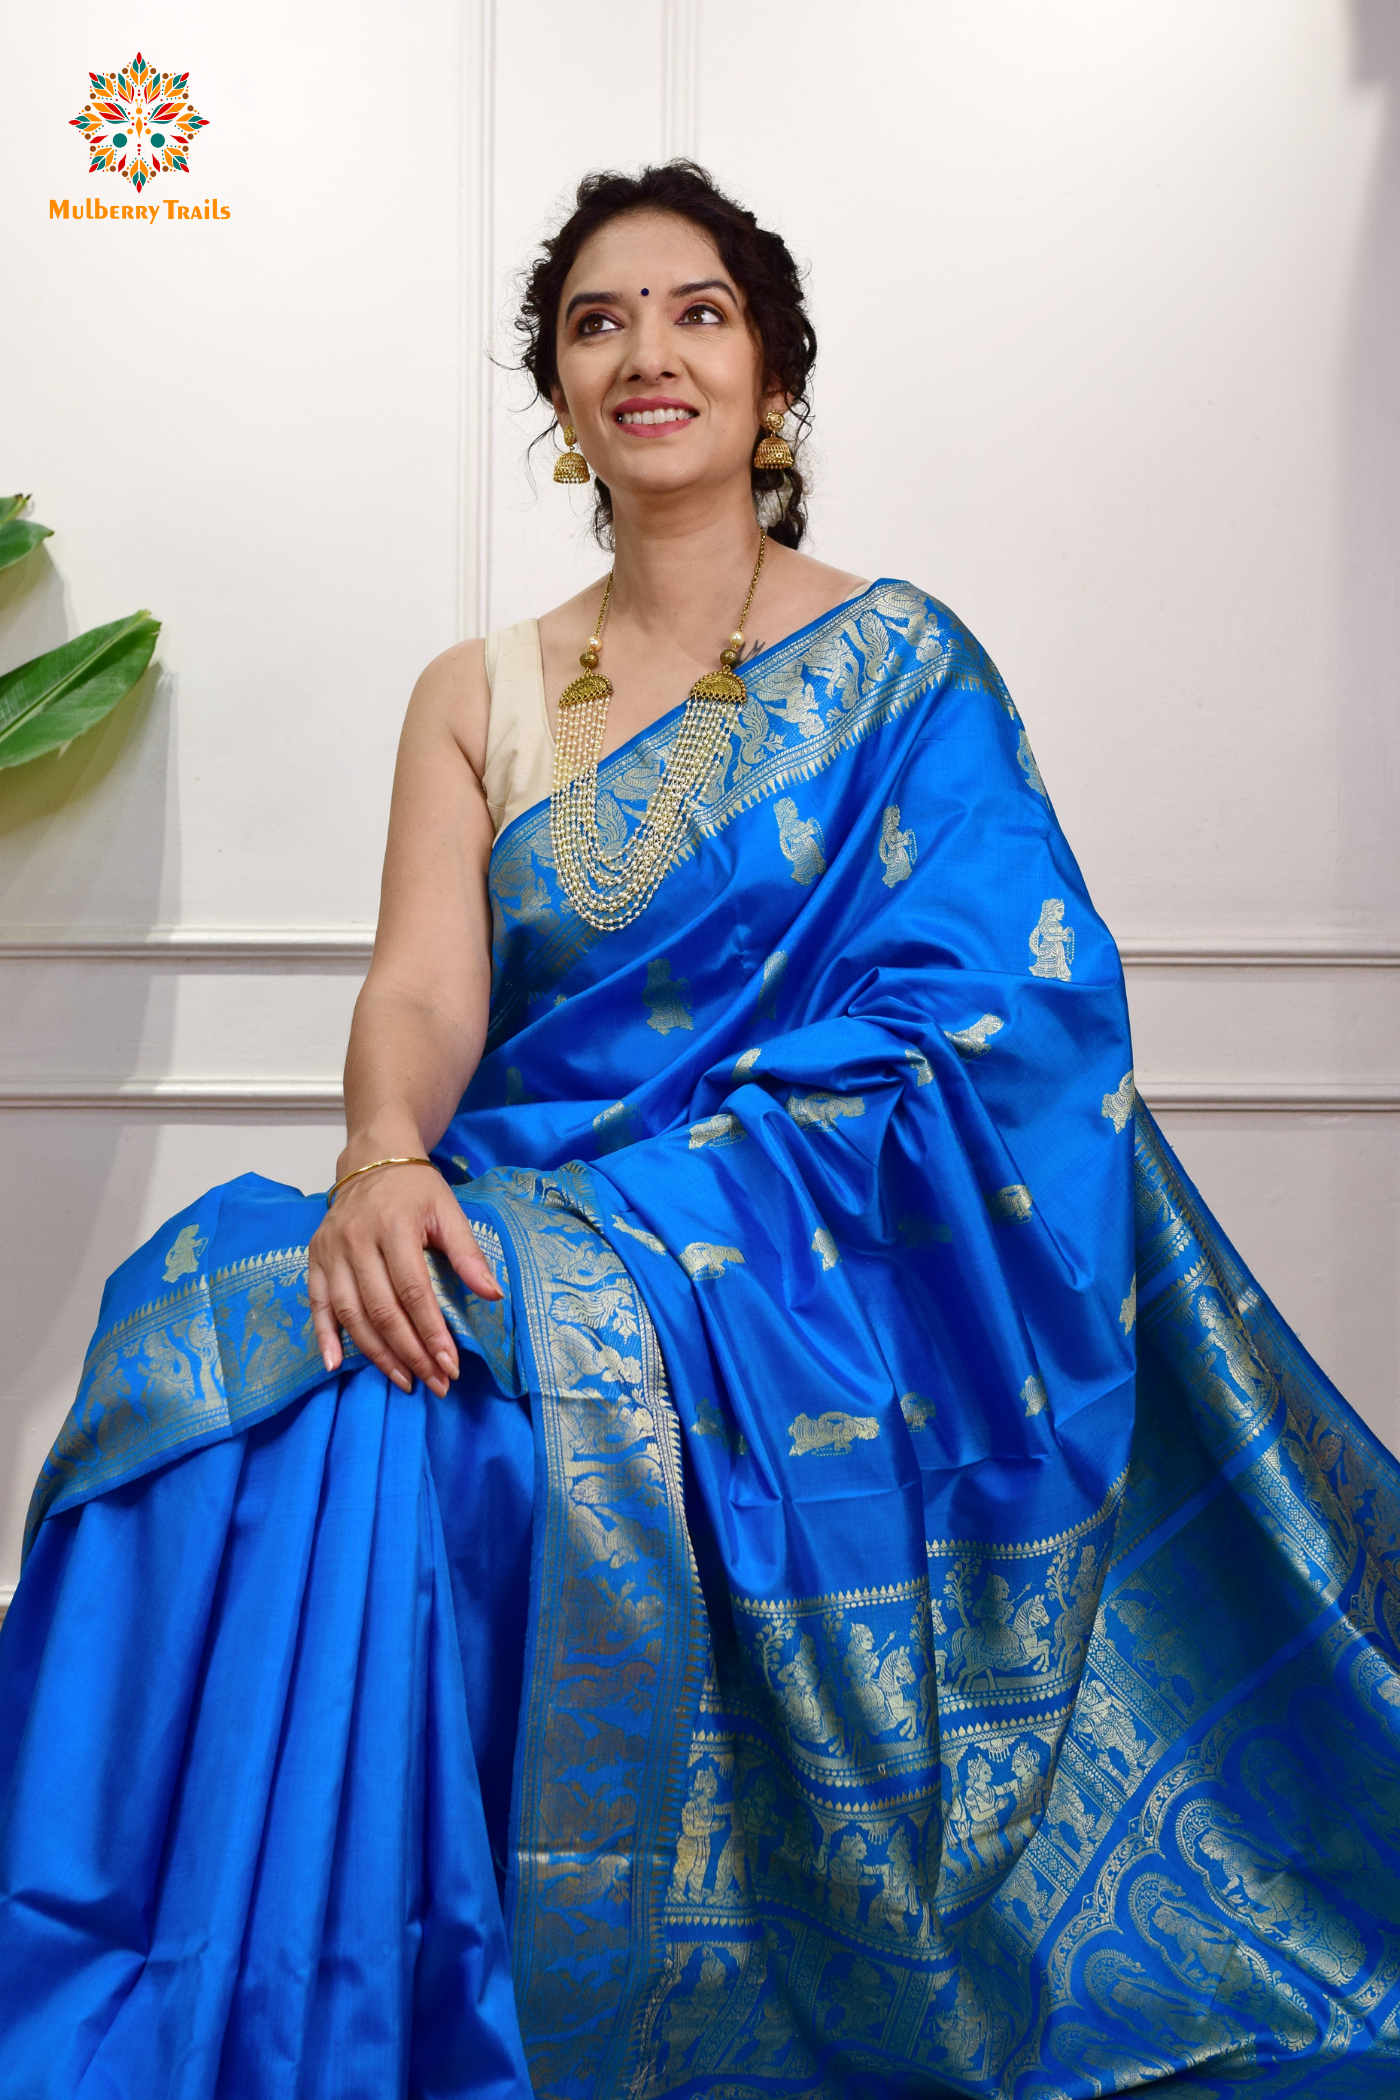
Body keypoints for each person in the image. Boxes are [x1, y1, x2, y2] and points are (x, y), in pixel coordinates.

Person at [1, 161, 1397, 2100]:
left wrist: (661, 1211)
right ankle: (261, 1984)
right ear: (557, 399)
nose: (645, 351)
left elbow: (993, 1027)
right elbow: (423, 991)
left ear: (772, 381)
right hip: (524, 1195)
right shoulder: (474, 691)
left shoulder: (901, 667)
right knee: (234, 1325)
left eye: (695, 313)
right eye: (596, 323)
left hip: (800, 1259)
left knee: (422, 1397)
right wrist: (383, 1163)